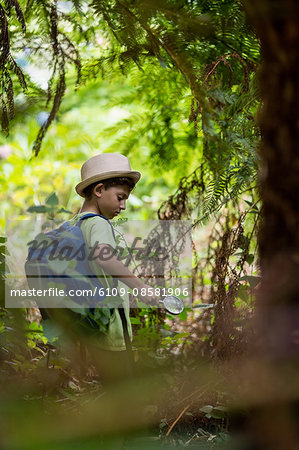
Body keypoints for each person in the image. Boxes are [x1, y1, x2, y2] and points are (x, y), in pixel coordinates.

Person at [70, 152, 157, 382]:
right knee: (123, 390)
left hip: (89, 323)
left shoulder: (74, 224)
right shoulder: (98, 224)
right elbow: (104, 257)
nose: (124, 206)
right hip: (109, 325)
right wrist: (140, 287)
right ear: (99, 190)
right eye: (120, 197)